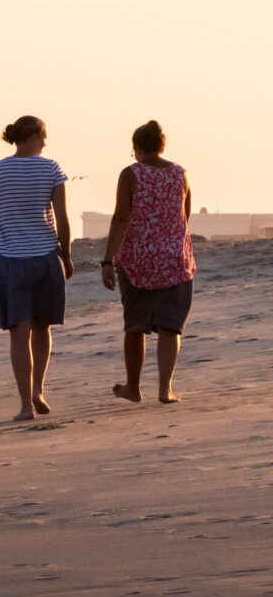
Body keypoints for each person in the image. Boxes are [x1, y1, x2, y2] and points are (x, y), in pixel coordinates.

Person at [0, 114, 72, 422]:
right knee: (42, 327)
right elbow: (62, 219)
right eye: (43, 136)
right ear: (32, 136)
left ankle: (26, 404)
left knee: (19, 332)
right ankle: (38, 389)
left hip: (11, 260)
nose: (46, 142)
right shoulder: (51, 168)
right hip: (46, 258)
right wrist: (66, 255)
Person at [100, 120, 193, 404]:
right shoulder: (180, 174)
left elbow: (121, 217)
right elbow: (185, 215)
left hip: (137, 260)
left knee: (135, 325)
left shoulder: (131, 174)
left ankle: (133, 387)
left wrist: (106, 260)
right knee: (170, 326)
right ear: (161, 146)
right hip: (175, 260)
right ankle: (165, 389)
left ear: (138, 148)